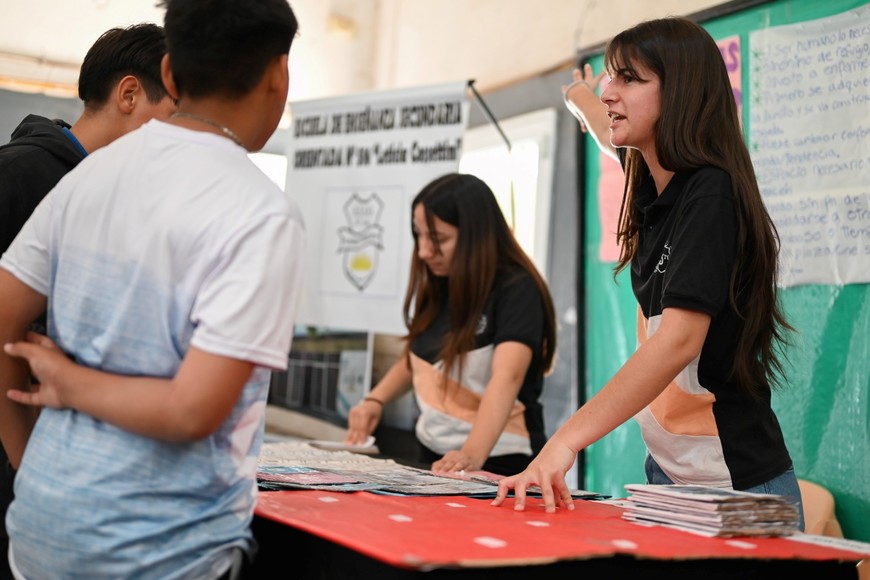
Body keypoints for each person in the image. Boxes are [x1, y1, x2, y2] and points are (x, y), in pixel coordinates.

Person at [0, 0, 304, 577]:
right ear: (278, 74)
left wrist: (30, 464)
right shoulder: (261, 212)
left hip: (39, 532)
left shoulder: (87, 175)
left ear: (170, 74)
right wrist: (72, 383)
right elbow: (192, 410)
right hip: (159, 550)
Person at [492, 16, 804, 531]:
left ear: (679, 92)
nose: (611, 92)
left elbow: (679, 340)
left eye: (629, 79)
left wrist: (566, 439)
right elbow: (598, 118)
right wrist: (577, 92)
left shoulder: (711, 193)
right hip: (667, 478)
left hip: (734, 486)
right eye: (611, 77)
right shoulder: (650, 182)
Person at [0, 23, 174, 580]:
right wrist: (21, 461)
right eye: (175, 113)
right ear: (129, 94)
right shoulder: (22, 175)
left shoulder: (114, 194)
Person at [344, 173, 557, 476]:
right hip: (434, 453)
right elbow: (421, 355)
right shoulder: (441, 281)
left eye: (439, 239)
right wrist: (374, 400)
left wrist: (471, 454)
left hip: (500, 459)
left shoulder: (517, 289)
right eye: (419, 235)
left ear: (476, 235)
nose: (424, 251)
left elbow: (507, 377)